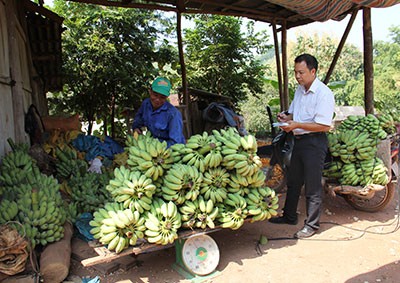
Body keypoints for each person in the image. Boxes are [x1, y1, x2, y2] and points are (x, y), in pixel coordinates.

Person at [269, 54, 335, 239]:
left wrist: (296, 125)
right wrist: (286, 118)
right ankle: (289, 216)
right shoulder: (299, 90)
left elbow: (324, 125)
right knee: (294, 180)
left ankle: (312, 225)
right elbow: (294, 114)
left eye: (301, 72)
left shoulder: (324, 93)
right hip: (298, 141)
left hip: (315, 143)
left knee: (313, 186)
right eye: (295, 72)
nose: (297, 76)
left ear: (313, 71)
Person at [132, 77, 186, 147]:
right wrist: (136, 127)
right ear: (150, 91)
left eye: (162, 97)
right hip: (152, 143)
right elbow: (139, 117)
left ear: (167, 97)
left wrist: (156, 148)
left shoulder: (173, 114)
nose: (157, 100)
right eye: (155, 95)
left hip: (170, 149)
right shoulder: (146, 104)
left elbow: (176, 143)